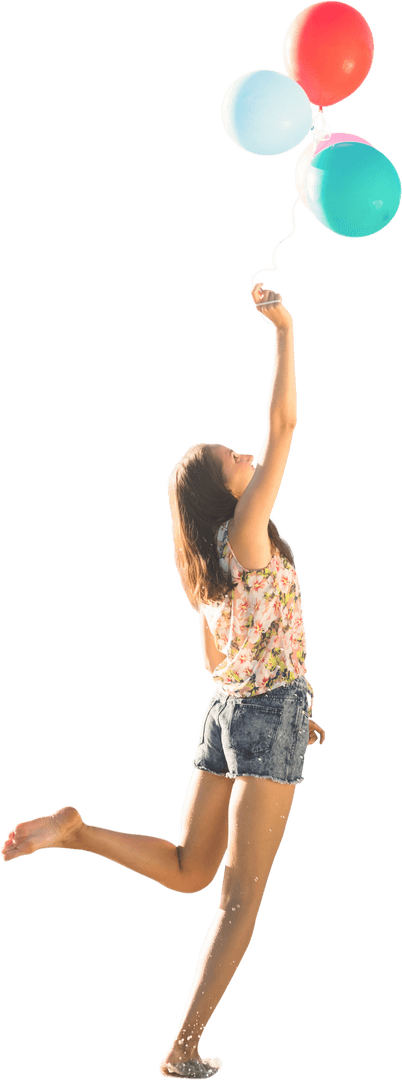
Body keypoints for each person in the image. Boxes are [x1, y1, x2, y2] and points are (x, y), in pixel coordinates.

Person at [0, 283, 326, 1080]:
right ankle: (180, 1051)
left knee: (190, 868)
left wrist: (296, 706)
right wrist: (285, 331)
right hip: (261, 717)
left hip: (227, 715)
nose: (251, 460)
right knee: (236, 900)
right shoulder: (248, 532)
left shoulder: (207, 567)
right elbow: (284, 425)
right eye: (236, 461)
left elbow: (233, 658)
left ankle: (77, 832)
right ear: (225, 490)